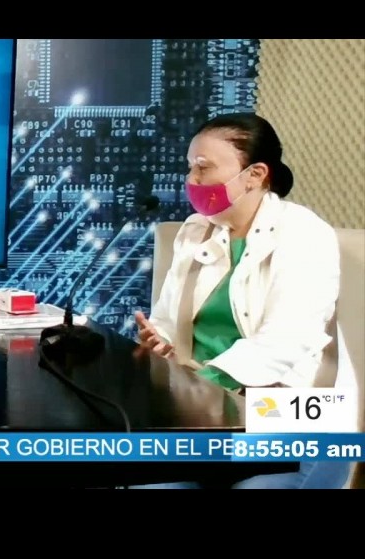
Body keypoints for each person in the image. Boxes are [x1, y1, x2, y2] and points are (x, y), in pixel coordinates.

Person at [133, 112, 358, 489]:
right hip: (210, 419)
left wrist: (203, 384)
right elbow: (168, 323)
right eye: (190, 167)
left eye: (203, 167)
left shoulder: (304, 233)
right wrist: (160, 344)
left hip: (296, 420)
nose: (191, 179)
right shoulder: (196, 232)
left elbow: (284, 342)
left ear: (255, 174)